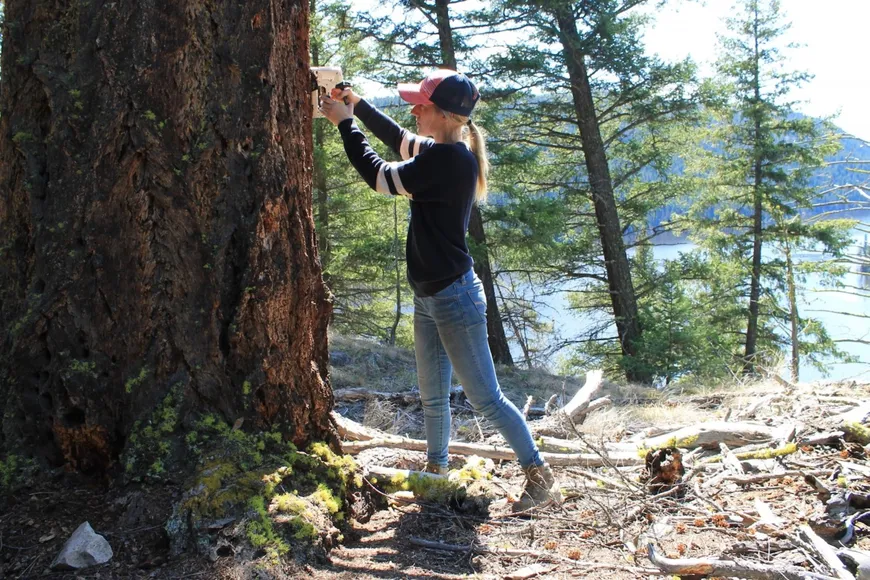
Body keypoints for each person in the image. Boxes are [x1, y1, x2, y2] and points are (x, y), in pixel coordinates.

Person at [319, 69, 562, 512]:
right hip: (431, 295)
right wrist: (356, 103)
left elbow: (379, 176)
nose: (414, 110)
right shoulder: (445, 149)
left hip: (453, 298)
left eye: (421, 104)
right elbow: (397, 138)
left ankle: (540, 476)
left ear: (445, 114)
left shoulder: (447, 161)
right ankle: (436, 473)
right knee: (432, 397)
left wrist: (346, 123)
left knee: (487, 399)